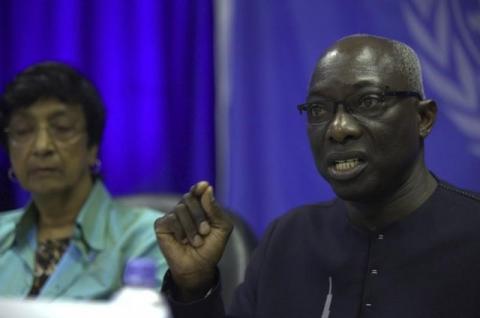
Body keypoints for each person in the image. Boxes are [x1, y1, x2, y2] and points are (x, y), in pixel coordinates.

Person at [155, 34, 480, 317]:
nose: (338, 129)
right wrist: (194, 289)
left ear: (423, 118)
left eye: (368, 102)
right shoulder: (287, 239)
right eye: (319, 110)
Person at [0, 62, 167, 299]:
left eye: (62, 128)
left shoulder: (147, 239)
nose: (41, 147)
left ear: (92, 147)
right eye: (23, 130)